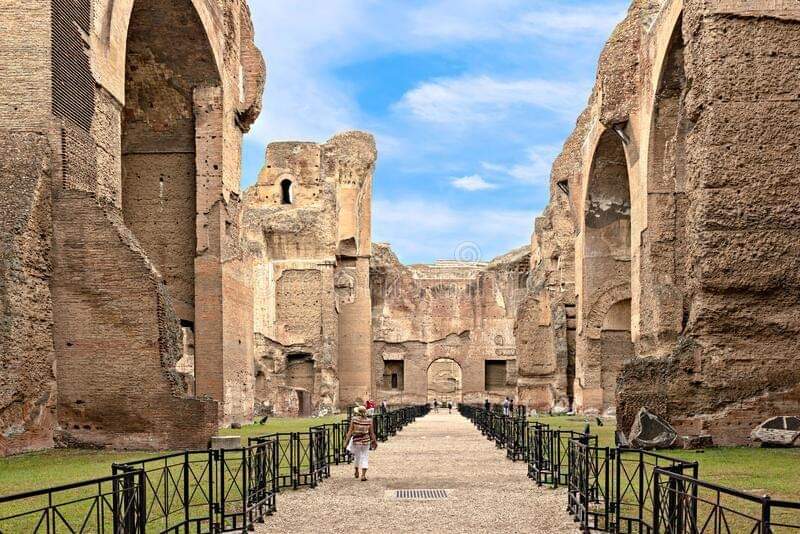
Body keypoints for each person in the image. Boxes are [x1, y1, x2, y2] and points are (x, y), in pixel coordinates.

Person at [344, 406, 378, 481]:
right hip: (366, 440)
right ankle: (363, 475)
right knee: (365, 456)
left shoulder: (354, 419)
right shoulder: (369, 421)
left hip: (357, 440)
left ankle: (356, 471)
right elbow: (372, 433)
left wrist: (346, 442)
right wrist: (375, 442)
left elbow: (350, 431)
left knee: (357, 456)